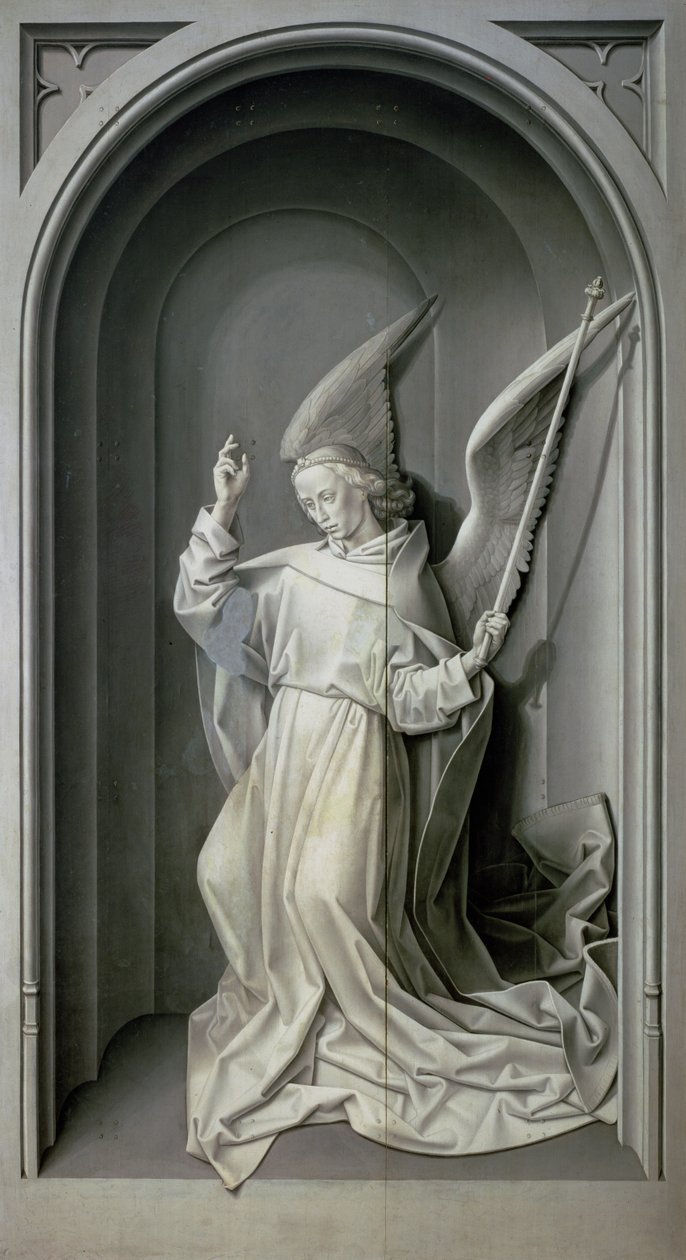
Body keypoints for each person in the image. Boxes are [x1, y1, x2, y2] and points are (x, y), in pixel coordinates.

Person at [174, 435, 617, 1189]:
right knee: (222, 871)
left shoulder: (405, 584)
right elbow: (209, 612)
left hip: (356, 762)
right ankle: (291, 1011)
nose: (320, 514)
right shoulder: (299, 573)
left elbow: (409, 700)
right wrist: (225, 507)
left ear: (364, 486)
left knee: (325, 895)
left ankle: (353, 1019)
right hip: (288, 756)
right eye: (308, 503)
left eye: (328, 496)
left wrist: (470, 664)